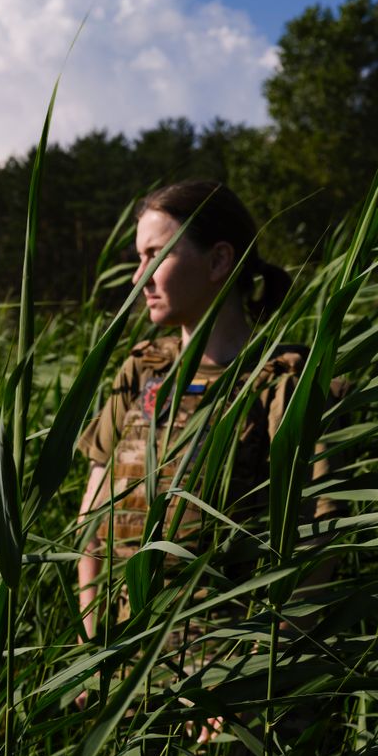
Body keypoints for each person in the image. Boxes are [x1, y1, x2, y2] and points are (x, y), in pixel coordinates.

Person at [74, 181, 342, 715]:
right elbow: (91, 526)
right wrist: (93, 650)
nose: (137, 276)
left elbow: (317, 550)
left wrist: (247, 683)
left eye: (155, 255)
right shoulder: (142, 371)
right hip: (124, 668)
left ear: (220, 259)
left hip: (224, 683)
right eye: (137, 257)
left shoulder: (283, 383)